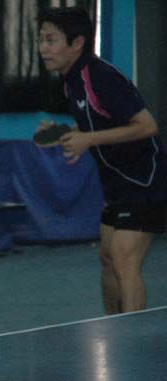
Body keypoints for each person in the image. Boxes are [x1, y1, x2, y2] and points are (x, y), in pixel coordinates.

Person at [35, 7, 167, 314]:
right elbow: (101, 122)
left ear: (77, 43)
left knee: (123, 258)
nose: (43, 48)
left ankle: (130, 336)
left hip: (146, 180)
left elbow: (147, 126)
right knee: (107, 258)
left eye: (51, 40)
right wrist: (67, 132)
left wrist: (88, 140)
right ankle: (114, 330)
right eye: (41, 39)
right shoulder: (70, 81)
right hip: (117, 183)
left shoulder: (101, 77)